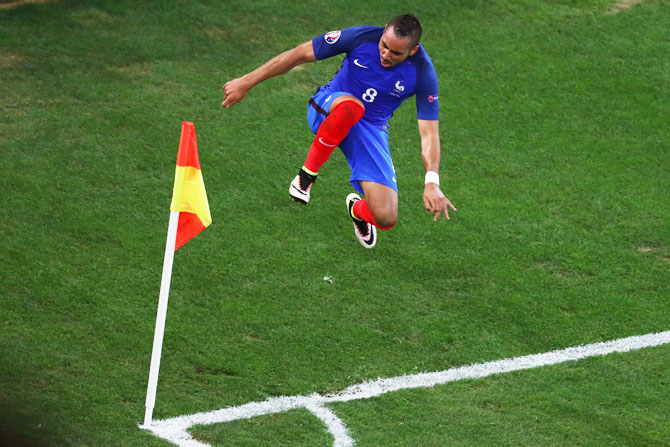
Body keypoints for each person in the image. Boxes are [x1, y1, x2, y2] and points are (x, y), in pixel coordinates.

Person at [222, 14, 456, 248]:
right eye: (384, 46)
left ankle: (356, 210)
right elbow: (299, 54)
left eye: (396, 53)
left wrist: (432, 182)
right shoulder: (361, 37)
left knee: (385, 216)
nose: (386, 54)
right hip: (329, 107)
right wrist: (246, 82)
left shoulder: (423, 72)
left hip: (370, 129)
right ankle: (305, 177)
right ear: (384, 32)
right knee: (352, 107)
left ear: (412, 51)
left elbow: (429, 134)